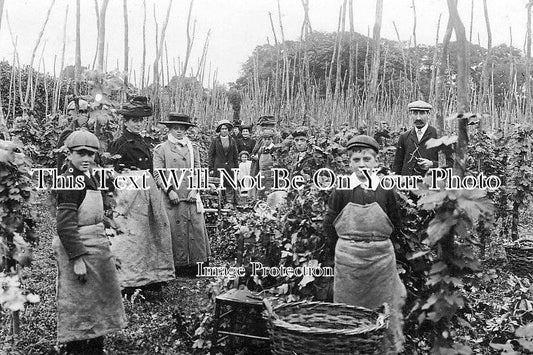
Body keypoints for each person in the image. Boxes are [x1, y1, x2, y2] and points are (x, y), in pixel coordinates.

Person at [323, 135, 406, 354]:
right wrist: (336, 254)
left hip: (381, 260)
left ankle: (384, 349)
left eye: (367, 159)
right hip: (348, 261)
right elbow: (330, 224)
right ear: (349, 163)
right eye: (356, 159)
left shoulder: (385, 189)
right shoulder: (342, 188)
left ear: (376, 161)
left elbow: (395, 221)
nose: (362, 164)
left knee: (385, 309)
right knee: (348, 312)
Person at [54, 130, 126, 354]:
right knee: (79, 301)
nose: (86, 159)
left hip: (97, 245)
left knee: (99, 300)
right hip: (79, 246)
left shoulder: (90, 176)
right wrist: (76, 258)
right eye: (81, 153)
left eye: (91, 154)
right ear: (69, 154)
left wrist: (107, 221)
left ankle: (95, 344)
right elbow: (65, 224)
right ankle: (76, 347)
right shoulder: (69, 180)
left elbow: (87, 210)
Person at [107, 97, 174, 294]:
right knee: (130, 237)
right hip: (129, 196)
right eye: (134, 120)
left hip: (147, 194)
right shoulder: (119, 144)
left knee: (149, 234)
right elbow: (114, 173)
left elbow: (152, 169)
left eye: (140, 120)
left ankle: (150, 277)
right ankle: (128, 280)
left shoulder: (143, 142)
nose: (138, 124)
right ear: (125, 122)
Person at [153, 113, 211, 274]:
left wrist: (195, 188)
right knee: (174, 230)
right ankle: (177, 265)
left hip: (190, 196)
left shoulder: (193, 148)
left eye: (182, 128)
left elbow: (199, 170)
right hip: (172, 197)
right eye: (175, 128)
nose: (179, 131)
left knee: (195, 229)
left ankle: (196, 264)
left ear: (186, 130)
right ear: (169, 129)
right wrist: (169, 190)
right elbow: (158, 173)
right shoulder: (162, 149)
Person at [393, 100, 439, 176]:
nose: (418, 118)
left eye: (422, 113)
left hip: (430, 184)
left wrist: (432, 164)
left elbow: (450, 163)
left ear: (428, 114)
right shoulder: (404, 137)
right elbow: (397, 166)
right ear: (410, 115)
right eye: (415, 113)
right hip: (407, 184)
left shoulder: (438, 136)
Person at [208, 119, 239, 208]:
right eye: (222, 129)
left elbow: (235, 155)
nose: (224, 130)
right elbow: (211, 154)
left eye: (226, 129)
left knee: (229, 183)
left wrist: (236, 168)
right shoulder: (215, 141)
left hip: (230, 165)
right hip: (218, 165)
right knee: (219, 183)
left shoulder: (232, 140)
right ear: (220, 130)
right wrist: (211, 168)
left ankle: (229, 202)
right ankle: (218, 202)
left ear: (228, 130)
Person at [56, 99, 90, 172]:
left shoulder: (91, 129)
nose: (85, 117)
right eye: (82, 113)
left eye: (85, 113)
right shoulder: (67, 132)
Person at [253, 129, 277, 199]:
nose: (266, 141)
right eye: (265, 139)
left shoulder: (274, 149)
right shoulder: (261, 149)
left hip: (270, 173)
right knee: (260, 190)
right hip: (261, 172)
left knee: (268, 191)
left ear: (272, 139)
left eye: (269, 139)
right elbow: (259, 161)